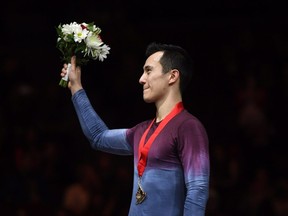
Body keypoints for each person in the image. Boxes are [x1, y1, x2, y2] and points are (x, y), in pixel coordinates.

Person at [60, 42, 210, 216]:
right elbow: (98, 136)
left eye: (148, 71)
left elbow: (198, 189)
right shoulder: (140, 131)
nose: (141, 79)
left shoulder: (188, 126)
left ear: (172, 76)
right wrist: (76, 88)